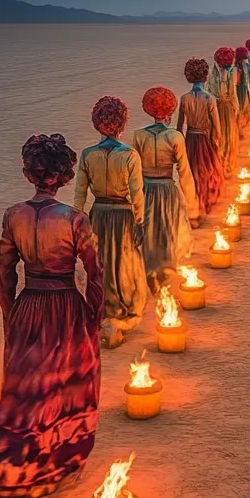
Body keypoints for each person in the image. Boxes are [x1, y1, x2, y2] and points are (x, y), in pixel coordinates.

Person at [0, 134, 102, 498]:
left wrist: (9, 312)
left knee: (26, 388)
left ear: (28, 174)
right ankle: (57, 466)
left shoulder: (12, 215)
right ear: (65, 176)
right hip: (65, 306)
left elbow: (5, 271)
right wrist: (92, 316)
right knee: (64, 385)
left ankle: (13, 461)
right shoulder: (75, 220)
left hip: (28, 305)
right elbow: (96, 274)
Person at [74, 95, 146, 347]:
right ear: (122, 123)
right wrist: (141, 221)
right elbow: (137, 194)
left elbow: (79, 195)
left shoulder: (87, 155)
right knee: (123, 263)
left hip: (98, 214)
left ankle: (101, 310)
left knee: (100, 264)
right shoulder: (129, 155)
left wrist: (76, 224)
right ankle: (119, 311)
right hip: (123, 215)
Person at [131, 86, 199, 291]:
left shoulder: (138, 135)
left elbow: (134, 172)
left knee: (149, 230)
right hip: (167, 188)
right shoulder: (175, 136)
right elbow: (185, 172)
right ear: (170, 111)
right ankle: (163, 272)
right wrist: (192, 204)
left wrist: (132, 197)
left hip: (146, 188)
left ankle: (150, 271)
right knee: (167, 228)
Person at [177, 57, 223, 217]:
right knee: (208, 171)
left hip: (189, 138)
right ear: (205, 76)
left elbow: (179, 127)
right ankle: (205, 205)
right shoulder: (209, 98)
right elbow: (217, 127)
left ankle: (192, 206)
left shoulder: (184, 98)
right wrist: (217, 144)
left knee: (191, 172)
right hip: (204, 139)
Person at [210, 46, 241, 179]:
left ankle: (218, 162)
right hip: (227, 107)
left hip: (215, 106)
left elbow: (209, 91)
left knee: (218, 134)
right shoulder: (232, 72)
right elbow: (233, 94)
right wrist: (237, 109)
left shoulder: (214, 73)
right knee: (229, 135)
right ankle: (227, 164)